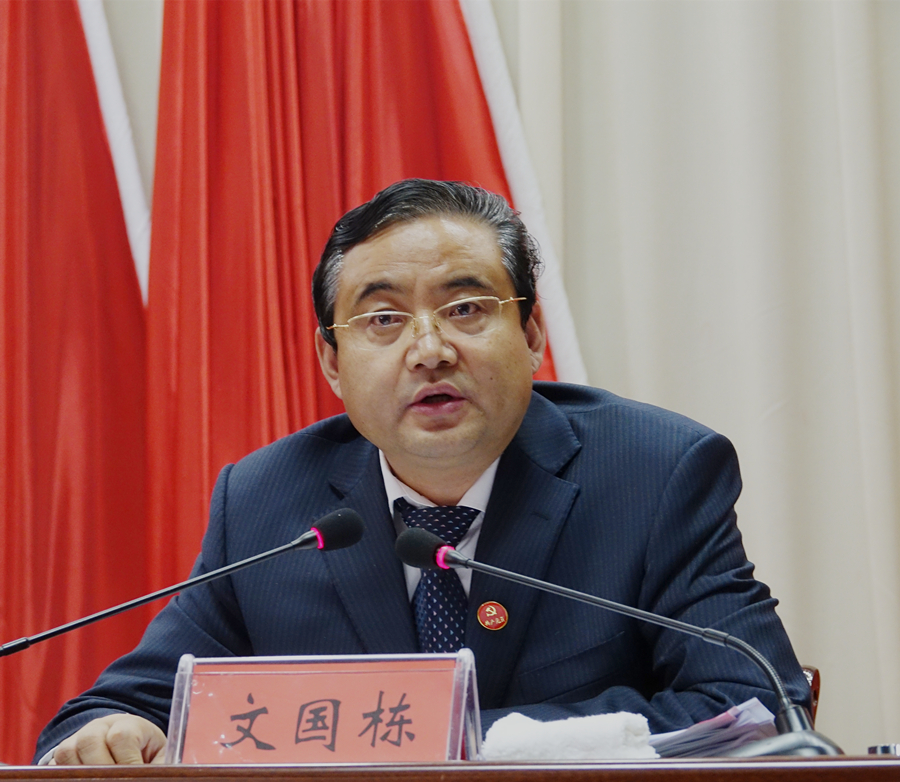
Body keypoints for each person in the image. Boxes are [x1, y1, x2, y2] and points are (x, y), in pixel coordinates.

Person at [35, 179, 810, 765]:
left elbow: (756, 704)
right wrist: (114, 729)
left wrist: (459, 741)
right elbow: (120, 707)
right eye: (383, 319)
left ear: (530, 332)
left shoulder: (656, 474)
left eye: (466, 308)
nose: (430, 350)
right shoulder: (268, 501)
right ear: (332, 362)